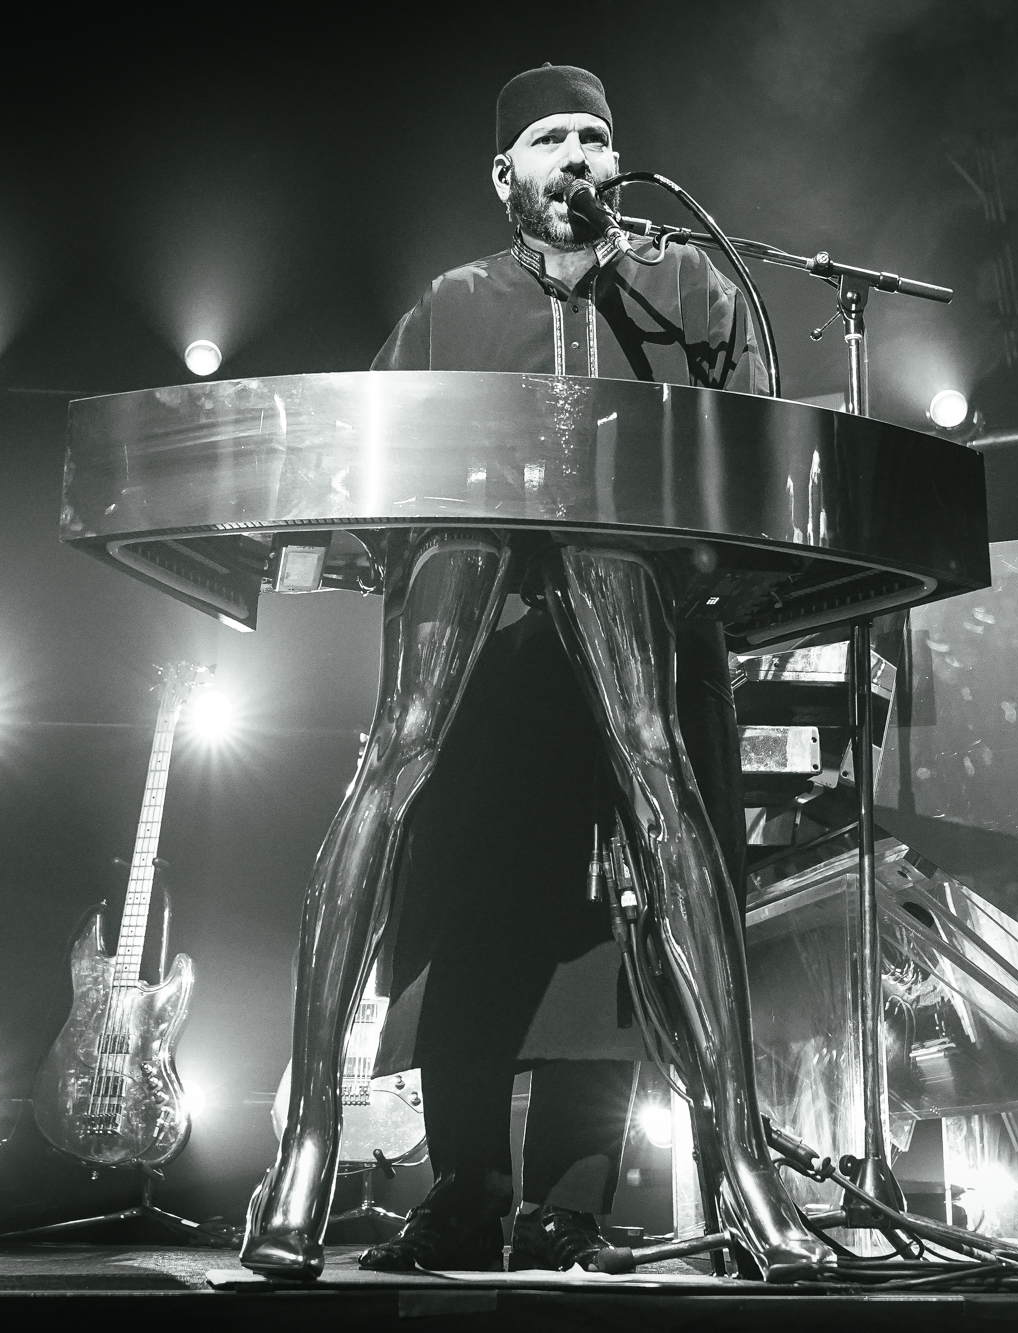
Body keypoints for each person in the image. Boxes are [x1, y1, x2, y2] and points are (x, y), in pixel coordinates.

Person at [356, 63, 770, 1274]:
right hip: (501, 653)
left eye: (594, 135)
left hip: (660, 644)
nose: (578, 153)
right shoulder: (450, 305)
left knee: (622, 939)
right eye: (550, 138)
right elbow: (367, 452)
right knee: (483, 915)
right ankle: (461, 1193)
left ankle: (576, 1201)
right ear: (505, 177)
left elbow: (753, 440)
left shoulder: (689, 285)